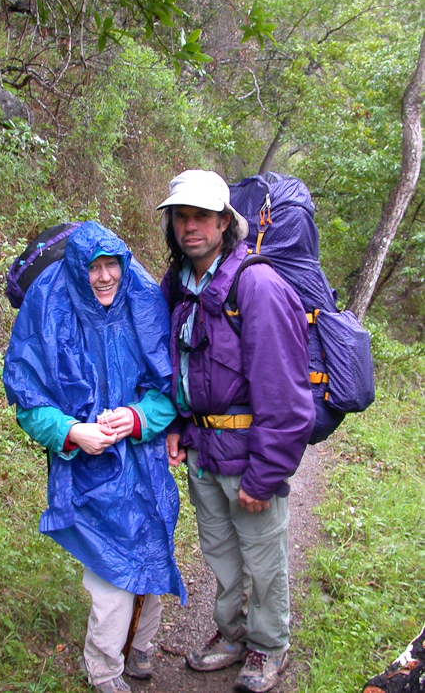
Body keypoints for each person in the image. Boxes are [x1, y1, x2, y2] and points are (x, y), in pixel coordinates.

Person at [3, 221, 186, 693]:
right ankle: (104, 668)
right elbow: (28, 405)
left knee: (154, 549)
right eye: (94, 268)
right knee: (110, 578)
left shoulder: (142, 300)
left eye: (112, 266)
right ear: (76, 270)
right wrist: (72, 431)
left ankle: (141, 646)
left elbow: (171, 391)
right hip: (88, 471)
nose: (105, 277)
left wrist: (138, 416)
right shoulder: (50, 309)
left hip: (144, 464)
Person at [156, 169, 315, 693]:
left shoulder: (258, 285)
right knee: (221, 554)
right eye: (181, 216)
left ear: (226, 222)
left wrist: (264, 475)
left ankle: (269, 646)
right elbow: (180, 363)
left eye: (202, 215)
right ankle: (232, 635)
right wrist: (180, 424)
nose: (190, 226)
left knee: (263, 559)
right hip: (203, 451)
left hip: (249, 456)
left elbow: (286, 396)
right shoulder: (179, 284)